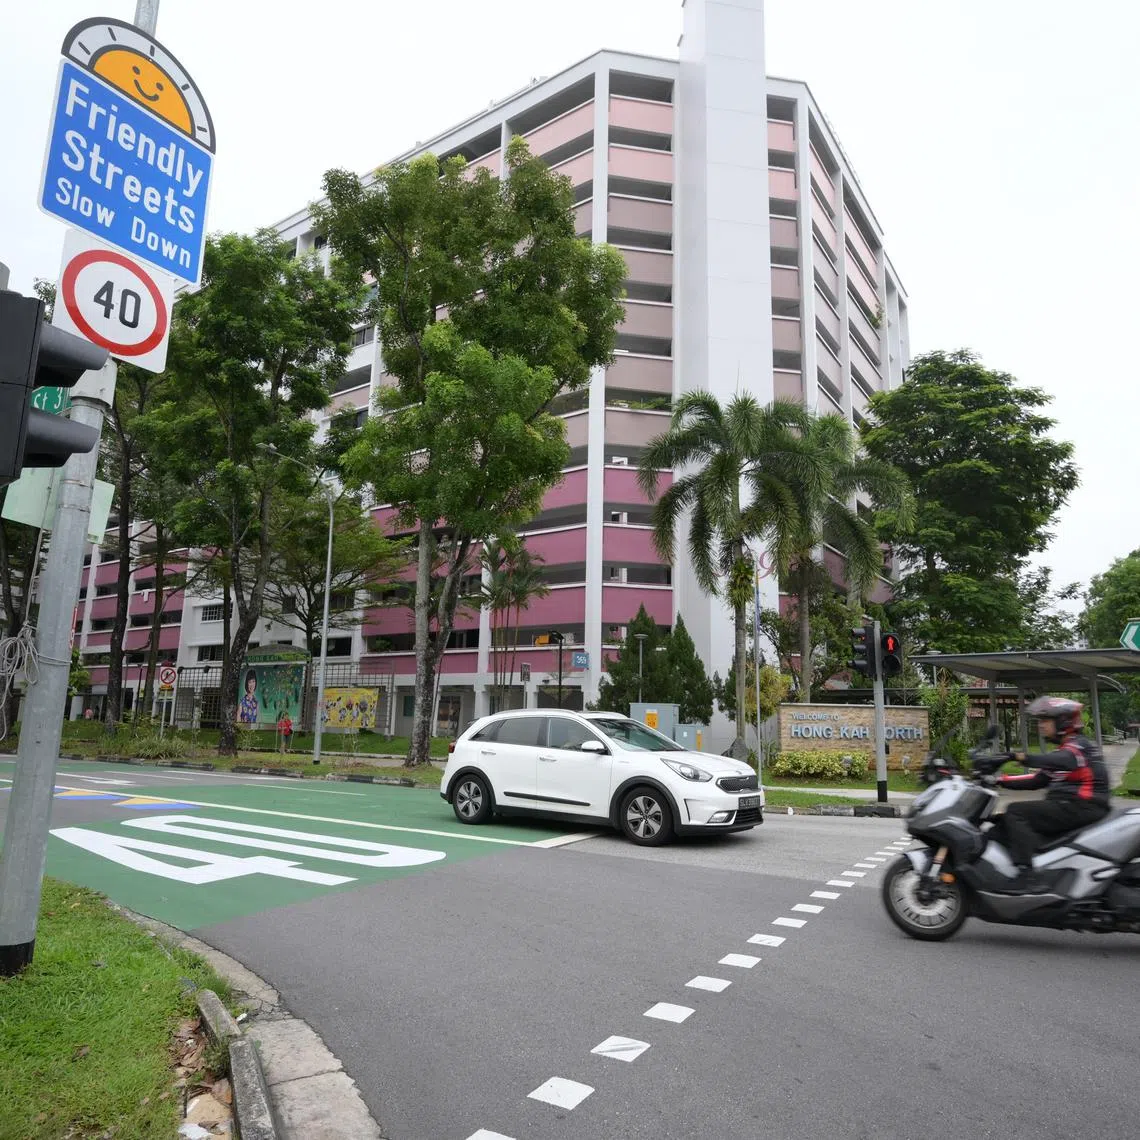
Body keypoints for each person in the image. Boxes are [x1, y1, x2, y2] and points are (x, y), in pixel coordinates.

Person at [995, 696, 1110, 890]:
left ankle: (1028, 875)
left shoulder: (1079, 746)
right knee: (1001, 821)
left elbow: (1062, 760)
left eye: (1045, 720)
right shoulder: (1064, 750)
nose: (1040, 725)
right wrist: (998, 780)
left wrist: (1019, 756)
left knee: (1016, 812)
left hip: (1084, 805)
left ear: (1063, 722)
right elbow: (1037, 780)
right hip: (1070, 805)